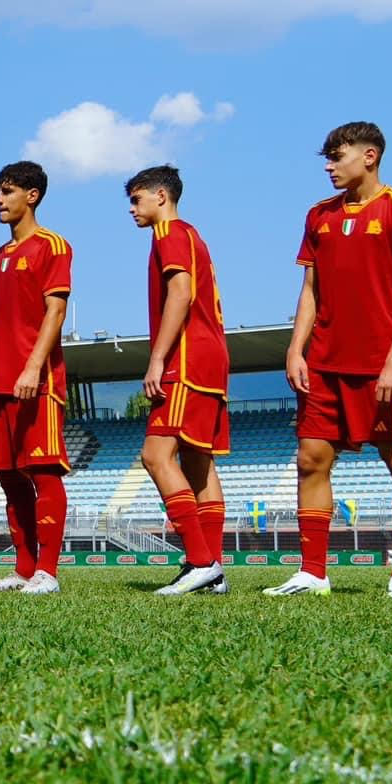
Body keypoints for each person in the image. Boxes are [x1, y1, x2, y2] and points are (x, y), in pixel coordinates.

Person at [269, 123, 392, 600]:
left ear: (370, 156)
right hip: (324, 362)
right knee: (310, 459)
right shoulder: (318, 215)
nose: (329, 166)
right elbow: (310, 290)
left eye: (337, 157)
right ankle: (313, 573)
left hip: (380, 364)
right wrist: (296, 349)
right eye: (327, 158)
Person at [127, 166, 232, 596]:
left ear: (161, 196)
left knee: (155, 455)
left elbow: (181, 294)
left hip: (187, 360)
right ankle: (213, 571)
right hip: (211, 357)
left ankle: (201, 561)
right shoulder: (192, 234)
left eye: (137, 199)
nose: (132, 209)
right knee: (198, 463)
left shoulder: (169, 233)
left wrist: (157, 359)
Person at [0, 161, 72, 596]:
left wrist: (33, 366)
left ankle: (48, 572)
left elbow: (56, 311)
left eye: (7, 191)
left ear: (32, 196)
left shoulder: (53, 245)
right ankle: (24, 568)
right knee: (9, 476)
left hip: (39, 381)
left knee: (43, 472)